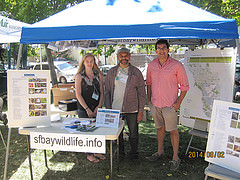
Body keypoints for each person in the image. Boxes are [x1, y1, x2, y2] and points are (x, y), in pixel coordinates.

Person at [146, 39, 189, 171]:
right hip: (155, 104)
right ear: (155, 50)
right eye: (158, 48)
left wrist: (177, 104)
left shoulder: (177, 66)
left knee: (173, 131)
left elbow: (185, 87)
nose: (161, 51)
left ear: (168, 50)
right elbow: (148, 83)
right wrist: (150, 101)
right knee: (159, 128)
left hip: (170, 105)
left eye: (164, 48)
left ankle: (175, 158)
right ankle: (160, 152)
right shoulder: (152, 65)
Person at [104, 48, 146, 161]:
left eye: (126, 55)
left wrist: (141, 110)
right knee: (118, 134)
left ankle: (133, 154)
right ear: (117, 57)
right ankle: (121, 153)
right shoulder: (112, 72)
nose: (124, 58)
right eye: (121, 56)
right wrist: (108, 108)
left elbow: (142, 93)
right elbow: (107, 91)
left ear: (130, 56)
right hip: (115, 109)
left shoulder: (136, 72)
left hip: (132, 109)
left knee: (133, 133)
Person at [75, 53, 105, 163]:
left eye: (91, 61)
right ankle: (89, 154)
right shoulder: (79, 76)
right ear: (83, 62)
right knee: (86, 131)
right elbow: (78, 94)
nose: (89, 63)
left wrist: (99, 106)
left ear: (94, 62)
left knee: (97, 130)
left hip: (97, 108)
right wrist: (87, 109)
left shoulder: (98, 75)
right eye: (87, 61)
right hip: (84, 109)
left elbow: (102, 92)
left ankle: (96, 151)